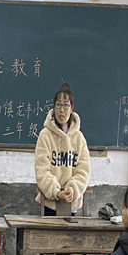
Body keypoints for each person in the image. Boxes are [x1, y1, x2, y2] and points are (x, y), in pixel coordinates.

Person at [34, 82, 91, 216]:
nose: (62, 110)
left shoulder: (79, 138)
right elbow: (42, 171)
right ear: (54, 107)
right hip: (48, 204)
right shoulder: (45, 135)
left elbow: (83, 171)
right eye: (58, 105)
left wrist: (71, 190)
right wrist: (56, 192)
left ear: (71, 109)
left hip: (72, 204)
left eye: (66, 105)